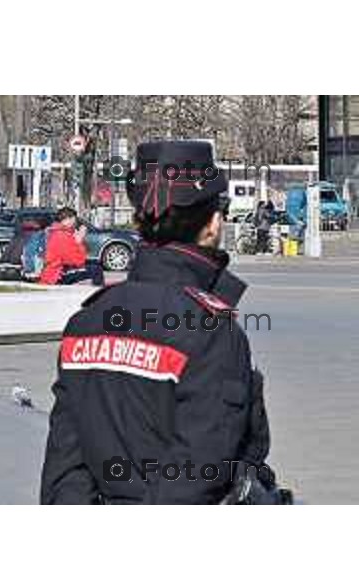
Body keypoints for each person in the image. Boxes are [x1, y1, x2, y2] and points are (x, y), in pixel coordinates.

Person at [40, 140, 282, 505]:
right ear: (213, 223)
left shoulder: (87, 321)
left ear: (139, 221)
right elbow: (197, 477)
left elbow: (65, 469)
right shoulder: (210, 329)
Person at [39, 207, 105, 286]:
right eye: (74, 220)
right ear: (68, 219)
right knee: (96, 270)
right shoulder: (62, 235)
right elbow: (78, 261)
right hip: (57, 275)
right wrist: (79, 241)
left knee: (95, 263)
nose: (75, 223)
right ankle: (98, 294)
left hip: (58, 269)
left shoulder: (58, 232)